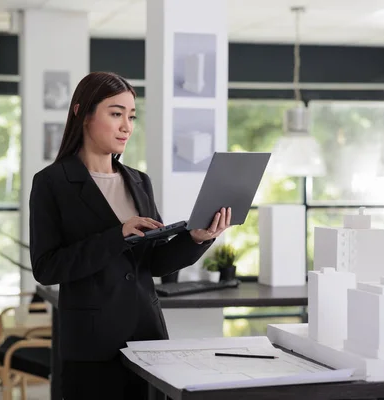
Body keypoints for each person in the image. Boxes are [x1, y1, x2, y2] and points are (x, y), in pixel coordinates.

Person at [29, 71, 232, 399]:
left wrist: (197, 238)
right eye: (116, 114)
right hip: (92, 346)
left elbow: (155, 262)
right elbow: (46, 267)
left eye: (131, 116)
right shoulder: (52, 183)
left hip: (147, 337)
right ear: (83, 113)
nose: (127, 126)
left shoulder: (139, 181)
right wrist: (117, 235)